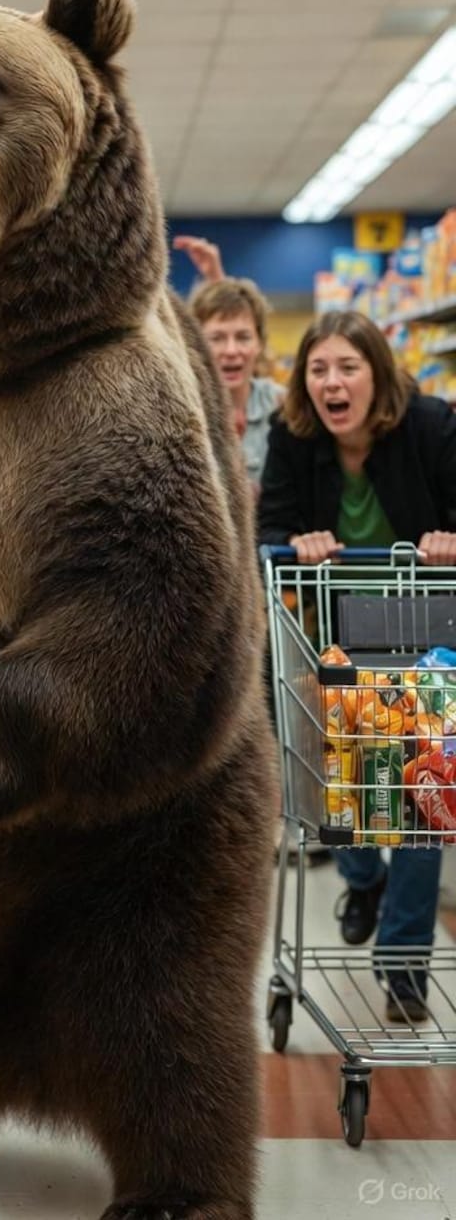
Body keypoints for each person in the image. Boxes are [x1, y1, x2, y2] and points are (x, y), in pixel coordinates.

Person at [258, 310, 456, 1024]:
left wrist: (445, 540)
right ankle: (362, 878)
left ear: (378, 373)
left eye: (347, 367)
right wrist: (296, 541)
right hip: (335, 640)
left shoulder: (432, 426)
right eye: (318, 369)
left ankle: (404, 966)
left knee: (423, 805)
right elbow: (270, 528)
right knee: (337, 789)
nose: (332, 382)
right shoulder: (293, 435)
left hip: (427, 636)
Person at [190, 276, 283, 494]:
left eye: (243, 337)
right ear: (196, 344)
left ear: (259, 343)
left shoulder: (283, 406)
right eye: (217, 338)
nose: (231, 351)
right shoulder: (182, 413)